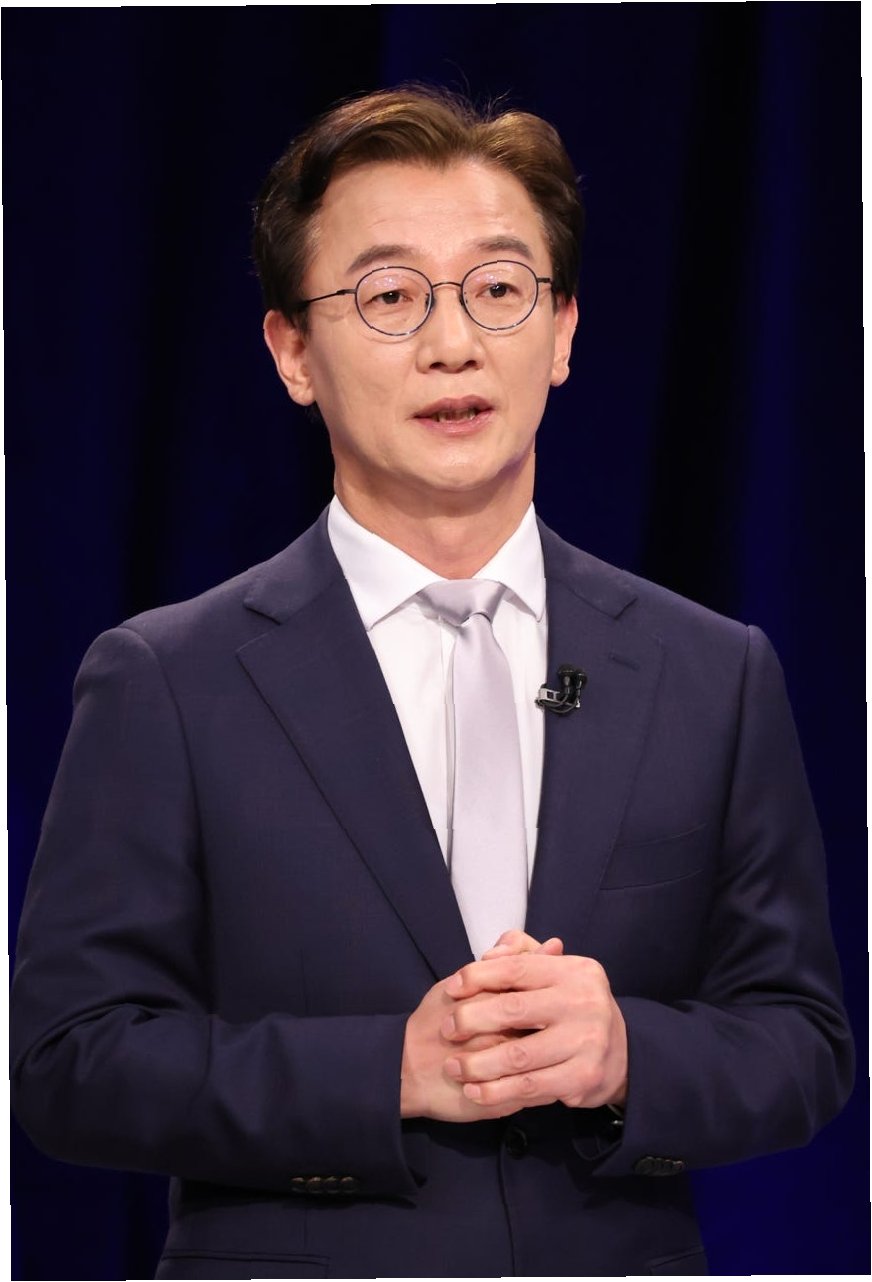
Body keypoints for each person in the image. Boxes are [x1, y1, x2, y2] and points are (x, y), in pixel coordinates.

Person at [11, 86, 853, 1280]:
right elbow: (68, 1062)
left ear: (561, 332)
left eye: (497, 289)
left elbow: (801, 1040)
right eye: (389, 296)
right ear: (291, 353)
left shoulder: (710, 673)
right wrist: (386, 1073)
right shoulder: (168, 681)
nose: (452, 342)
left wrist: (626, 1052)